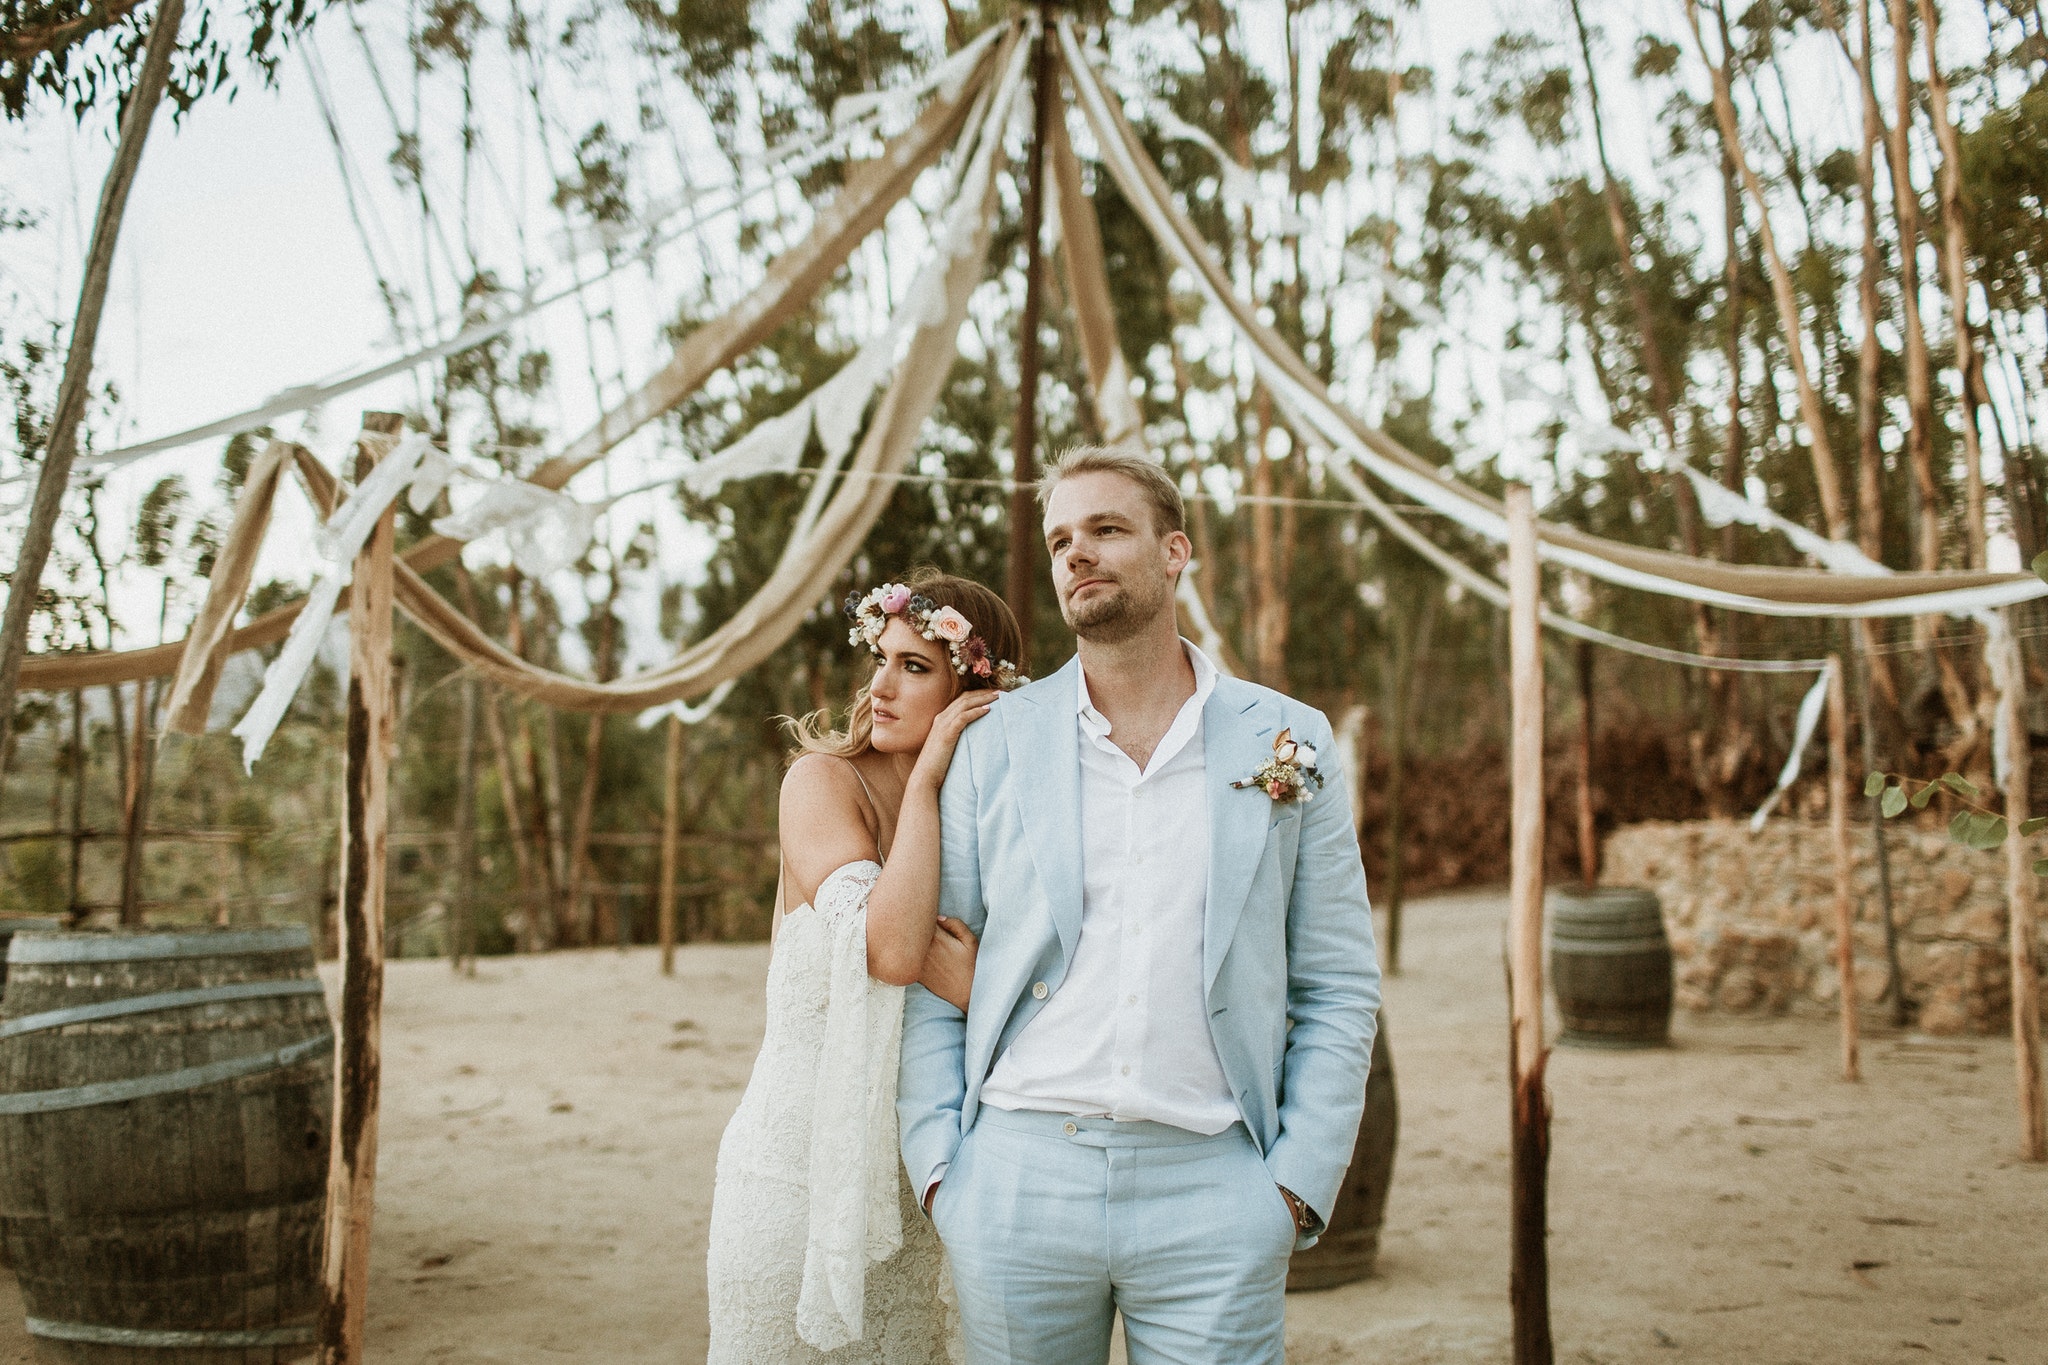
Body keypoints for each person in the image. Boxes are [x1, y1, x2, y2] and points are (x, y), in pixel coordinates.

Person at [898, 446, 1382, 1365]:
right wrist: (941, 1174)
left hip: (1217, 1187)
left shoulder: (1287, 738)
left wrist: (1293, 1188)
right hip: (1014, 1184)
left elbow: (1338, 981)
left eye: (1107, 529)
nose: (1077, 552)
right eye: (1060, 539)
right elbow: (932, 955)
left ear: (1174, 551)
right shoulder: (994, 742)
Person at [706, 569, 1027, 1363]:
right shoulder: (820, 782)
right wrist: (923, 781)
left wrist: (985, 994)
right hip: (790, 1184)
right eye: (880, 659)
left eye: (915, 667)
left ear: (971, 689)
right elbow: (888, 949)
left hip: (920, 1197)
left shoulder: (997, 818)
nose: (880, 685)